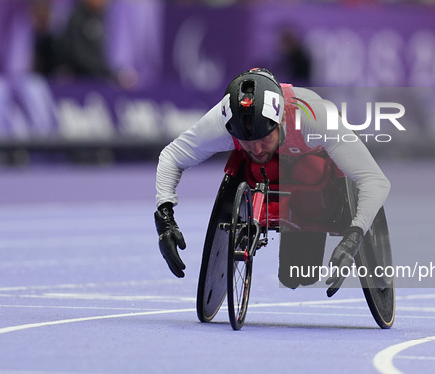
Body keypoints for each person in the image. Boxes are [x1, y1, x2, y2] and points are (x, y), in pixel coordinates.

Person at [154, 68, 390, 297]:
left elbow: (375, 180)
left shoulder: (313, 117)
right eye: (247, 140)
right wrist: (165, 220)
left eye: (264, 137)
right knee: (258, 166)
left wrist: (354, 236)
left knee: (309, 171)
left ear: (280, 120)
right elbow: (171, 156)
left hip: (316, 178)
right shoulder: (225, 120)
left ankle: (310, 208)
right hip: (270, 175)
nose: (256, 148)